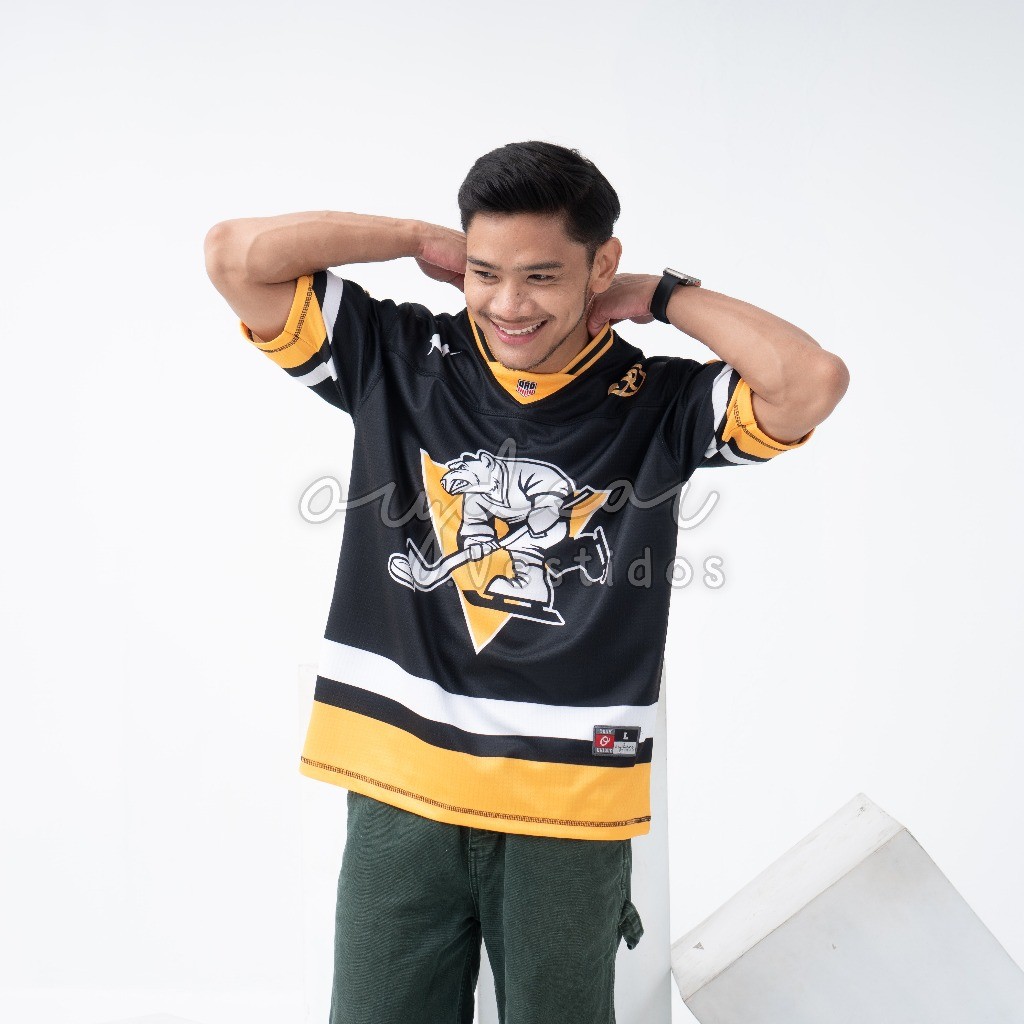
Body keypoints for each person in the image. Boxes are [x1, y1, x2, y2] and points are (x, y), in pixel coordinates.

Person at [204, 140, 849, 1024]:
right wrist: (414, 238)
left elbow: (810, 381)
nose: (509, 304)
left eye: (542, 276)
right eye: (487, 272)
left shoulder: (656, 402)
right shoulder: (399, 354)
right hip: (400, 782)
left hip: (568, 797)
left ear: (600, 266)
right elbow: (233, 256)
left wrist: (664, 297)